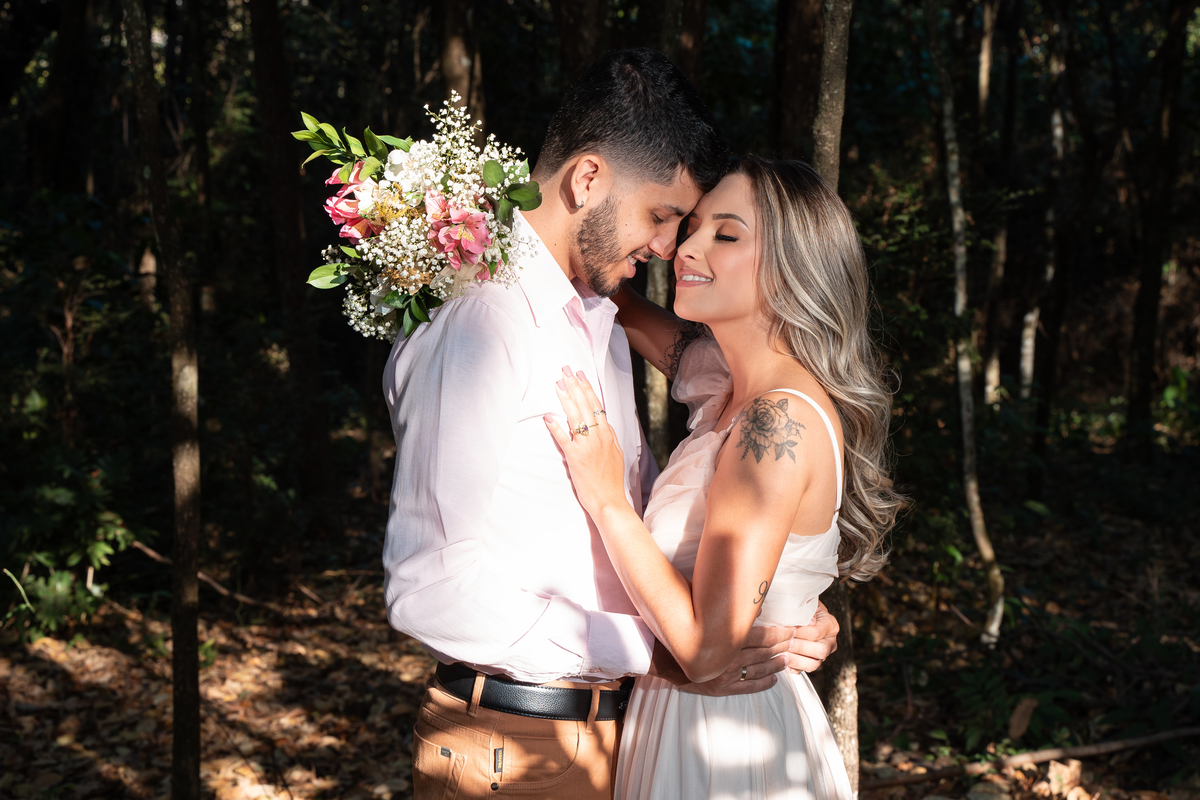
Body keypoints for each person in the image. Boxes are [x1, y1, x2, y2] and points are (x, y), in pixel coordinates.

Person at [381, 50, 839, 799]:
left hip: (620, 737)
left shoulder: (599, 319)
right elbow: (427, 587)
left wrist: (784, 598)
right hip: (514, 745)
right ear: (588, 179)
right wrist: (656, 652)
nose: (669, 248)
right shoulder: (480, 323)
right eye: (663, 216)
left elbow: (740, 440)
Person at [545, 156, 903, 799]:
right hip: (683, 718)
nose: (688, 247)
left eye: (727, 234)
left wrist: (607, 499)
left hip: (725, 738)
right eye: (693, 227)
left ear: (792, 269)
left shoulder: (777, 421)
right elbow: (635, 314)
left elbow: (705, 652)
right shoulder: (733, 386)